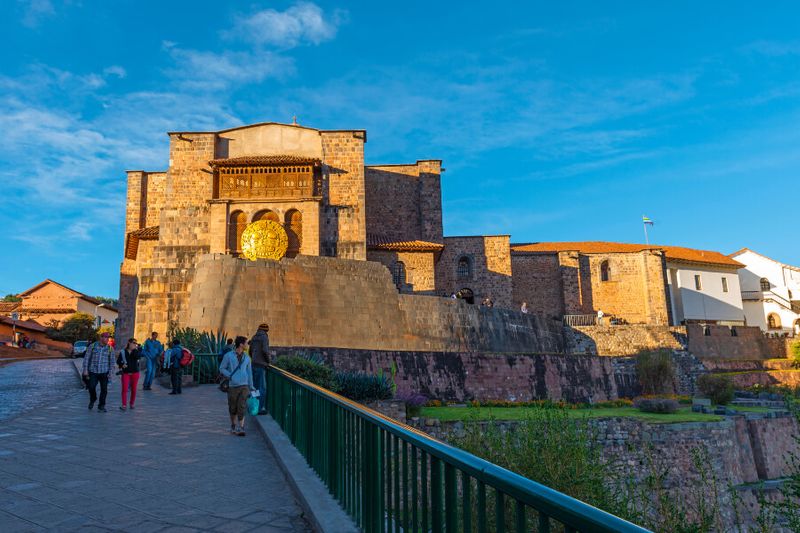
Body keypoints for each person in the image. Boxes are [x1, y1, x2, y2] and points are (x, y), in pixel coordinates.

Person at [219, 336, 255, 436]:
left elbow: (249, 373)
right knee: (232, 408)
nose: (248, 345)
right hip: (233, 386)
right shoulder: (228, 356)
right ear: (241, 344)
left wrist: (251, 386)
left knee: (242, 406)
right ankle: (233, 426)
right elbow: (221, 368)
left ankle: (241, 428)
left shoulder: (247, 358)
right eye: (246, 343)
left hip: (244, 385)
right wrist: (229, 375)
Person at [82, 332, 116, 412]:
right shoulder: (92, 346)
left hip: (104, 372)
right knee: (91, 387)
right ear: (101, 338)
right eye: (106, 337)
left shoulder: (110, 348)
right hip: (93, 371)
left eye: (108, 338)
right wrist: (85, 369)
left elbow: (112, 362)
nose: (108, 339)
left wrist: (110, 373)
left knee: (104, 390)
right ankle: (93, 398)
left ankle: (101, 406)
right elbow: (86, 358)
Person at [249, 324, 270, 415]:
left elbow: (250, 351)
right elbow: (265, 350)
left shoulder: (254, 337)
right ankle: (261, 408)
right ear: (266, 330)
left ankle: (254, 407)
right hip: (261, 365)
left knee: (255, 387)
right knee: (262, 388)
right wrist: (268, 361)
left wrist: (254, 358)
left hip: (254, 364)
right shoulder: (264, 337)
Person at [117, 338, 142, 410]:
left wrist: (135, 350)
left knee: (134, 390)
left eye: (135, 343)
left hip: (135, 373)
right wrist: (122, 365)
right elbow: (118, 361)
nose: (135, 344)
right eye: (133, 343)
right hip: (126, 373)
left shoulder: (136, 351)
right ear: (129, 343)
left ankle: (132, 403)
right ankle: (124, 405)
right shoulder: (123, 352)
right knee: (124, 389)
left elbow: (138, 357)